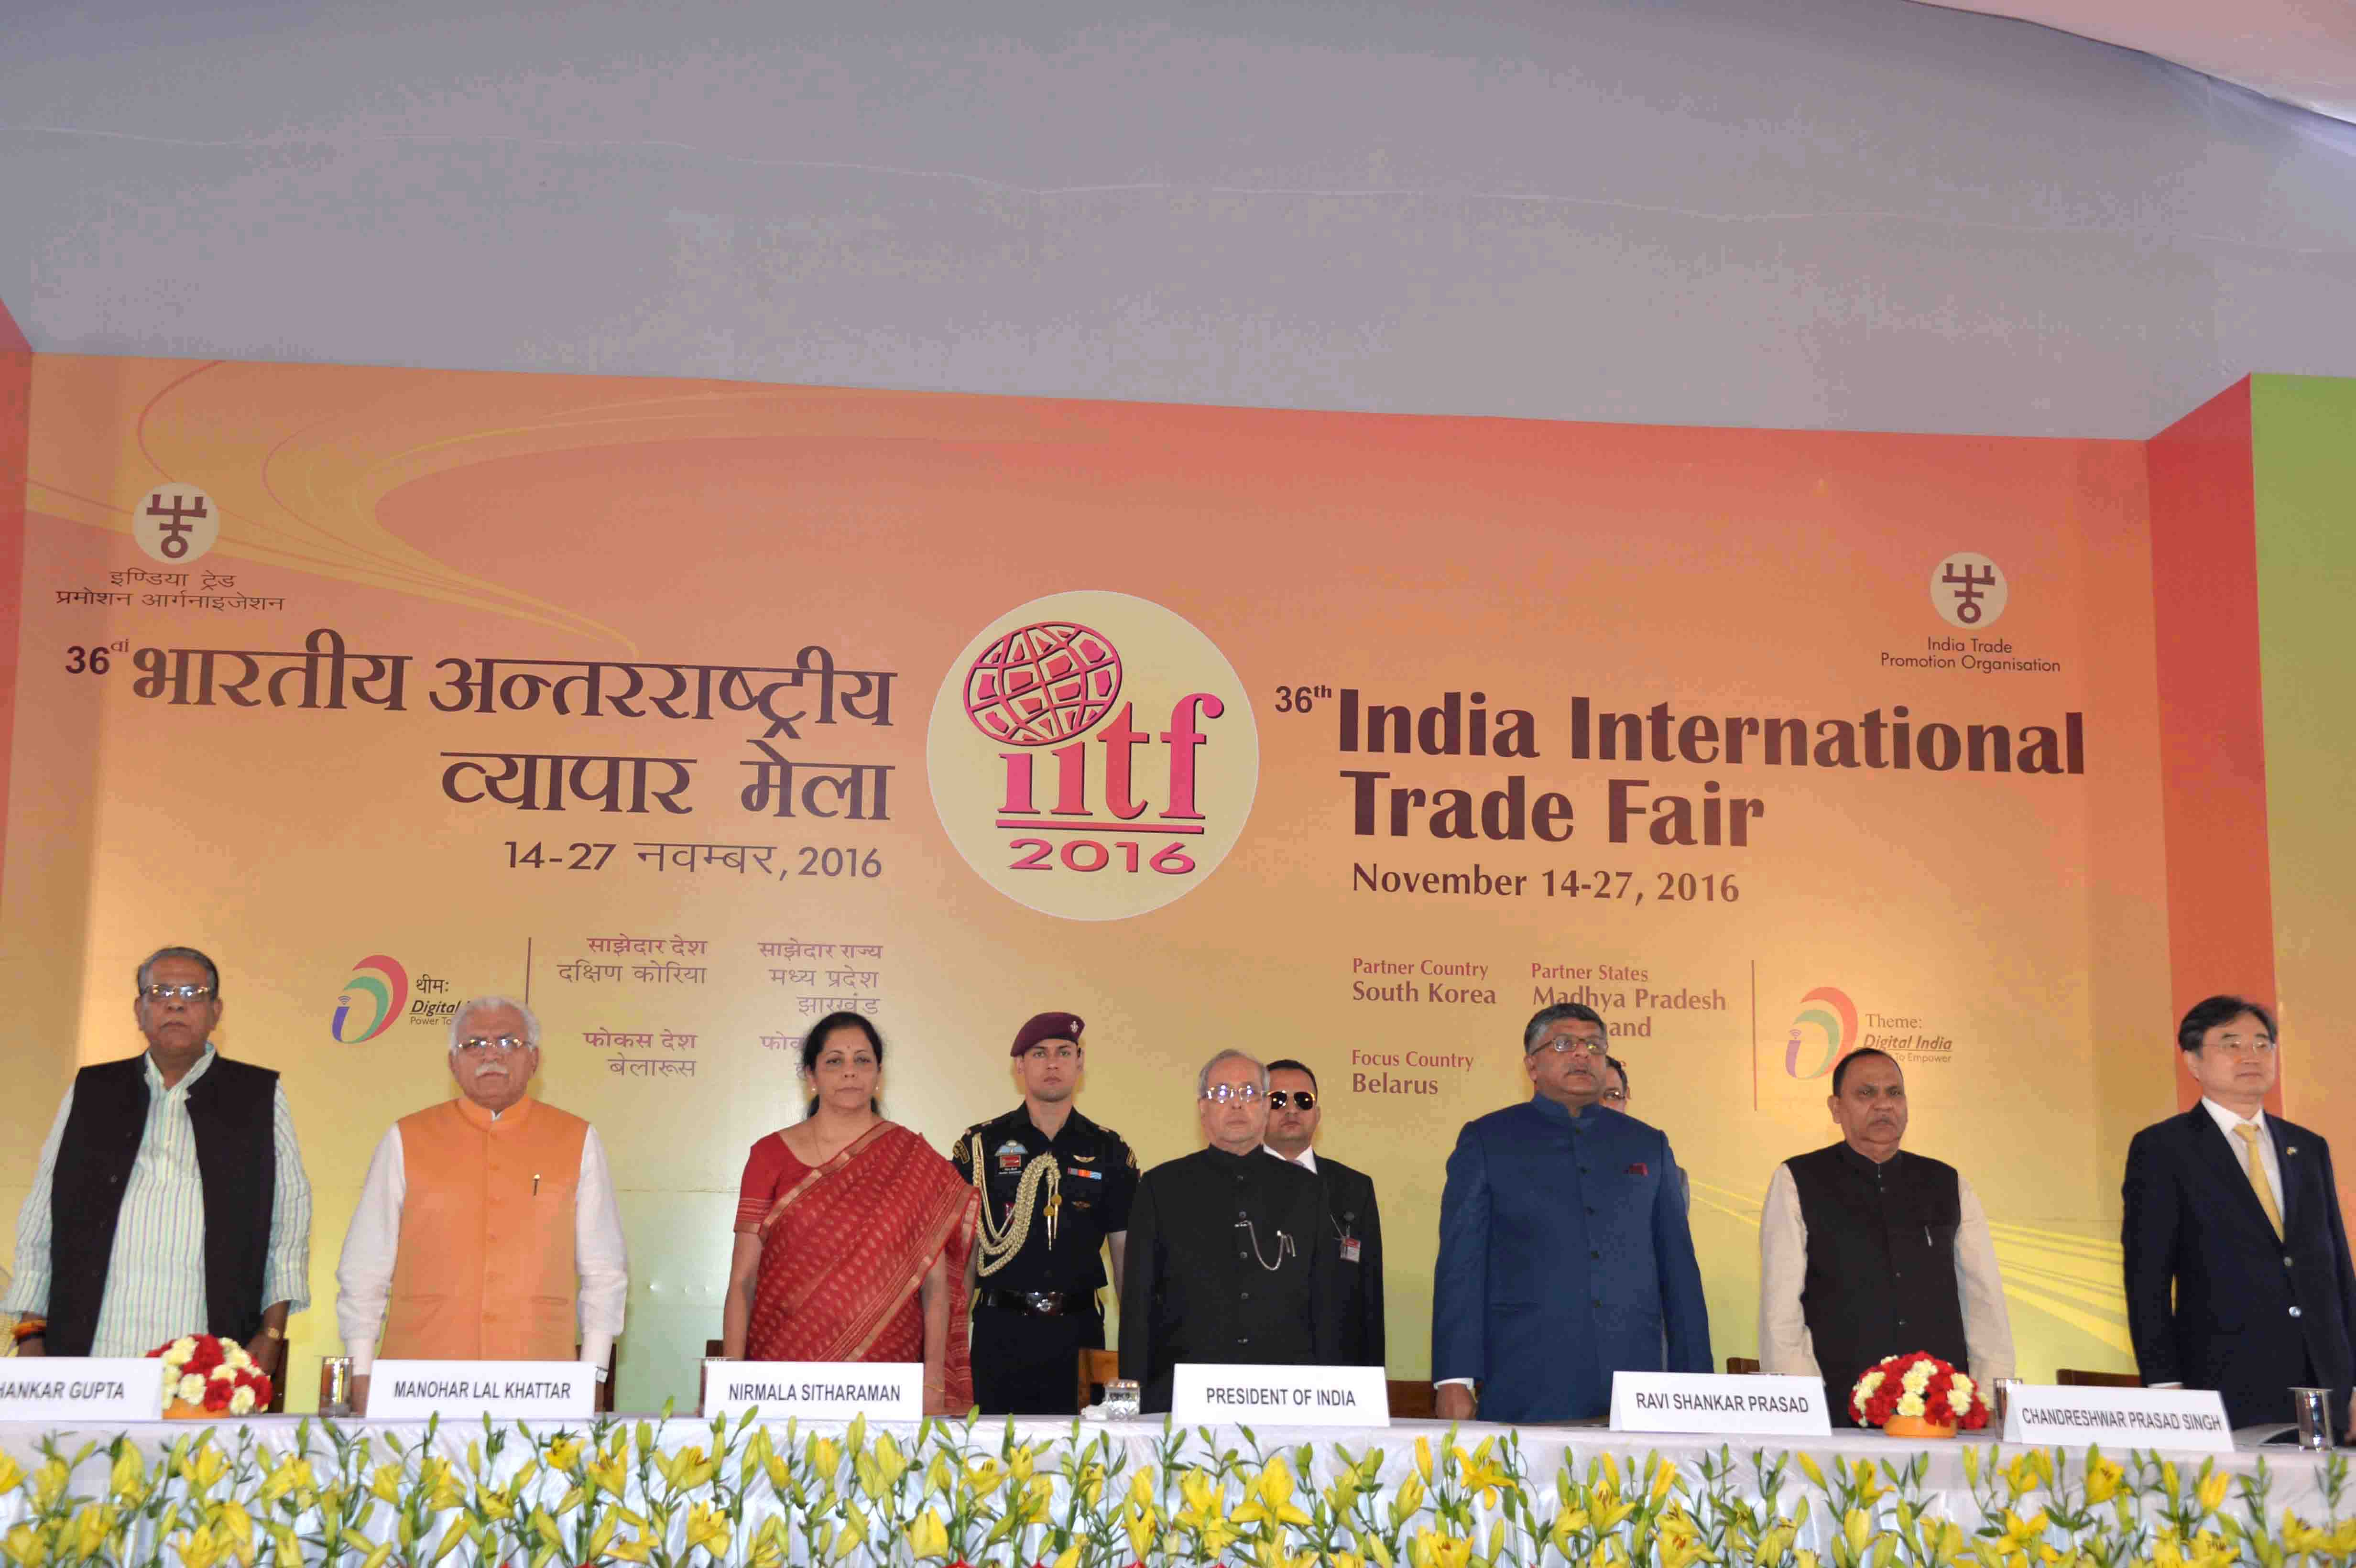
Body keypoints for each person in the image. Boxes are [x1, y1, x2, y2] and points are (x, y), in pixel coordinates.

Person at [5, 947, 311, 1374]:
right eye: (160, 991)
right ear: (139, 1011)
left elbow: (288, 1223)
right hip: (91, 1350)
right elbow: (43, 1214)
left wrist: (272, 1332)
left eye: (193, 992)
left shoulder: (257, 1095)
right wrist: (30, 1332)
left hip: (208, 1358)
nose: (175, 1003)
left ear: (216, 1012)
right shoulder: (93, 1090)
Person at [334, 996, 628, 1412]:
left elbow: (605, 1272)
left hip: (539, 1382)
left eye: (508, 1042)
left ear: (535, 1060)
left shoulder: (577, 1139)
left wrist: (594, 1374)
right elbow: (366, 1268)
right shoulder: (405, 1138)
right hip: (419, 1382)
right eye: (474, 1044)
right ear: (453, 1064)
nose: (491, 1054)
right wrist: (361, 1371)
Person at [1432, 1002, 1709, 1422]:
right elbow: (1461, 1266)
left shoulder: (1648, 1144)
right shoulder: (1488, 1139)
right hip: (1525, 1376)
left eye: (1594, 1046)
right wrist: (1455, 1379)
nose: (1583, 1054)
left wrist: (1697, 1383)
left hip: (1636, 1381)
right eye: (1564, 1044)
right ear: (1532, 1066)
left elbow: (1680, 1272)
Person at [724, 1012, 978, 1414]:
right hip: (784, 1374)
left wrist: (933, 1382)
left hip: (886, 1378)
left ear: (879, 1075)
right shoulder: (769, 1155)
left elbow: (937, 1287)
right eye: (834, 1061)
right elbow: (742, 1281)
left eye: (862, 1060)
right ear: (811, 1075)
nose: (849, 1072)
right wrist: (732, 1381)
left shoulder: (917, 1163)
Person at [2123, 996, 2356, 1431]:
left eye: (2262, 1044)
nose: (2251, 1056)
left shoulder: (2307, 1147)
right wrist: (2164, 1387)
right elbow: (2147, 1280)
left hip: (2327, 1388)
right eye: (2231, 1044)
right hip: (2226, 1389)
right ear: (2193, 1061)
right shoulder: (2163, 1149)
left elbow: (2337, 1268)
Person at [1757, 1047, 2014, 1424]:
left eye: (1894, 1093)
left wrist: (1989, 1402)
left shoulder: (1947, 1183)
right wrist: (1803, 1408)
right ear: (1835, 1107)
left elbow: (1984, 1304)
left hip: (1940, 1414)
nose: (1883, 1105)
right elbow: (1781, 1312)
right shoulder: (1798, 1180)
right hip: (1837, 1411)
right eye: (1866, 1093)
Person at [1120, 1049, 1336, 1412]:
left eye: (1249, 1092)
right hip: (1182, 1392)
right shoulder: (1161, 1187)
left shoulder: (1308, 1189)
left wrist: (1328, 1393)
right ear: (1203, 1108)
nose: (1236, 1105)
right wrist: (1135, 1399)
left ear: (1266, 1106)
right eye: (1222, 1094)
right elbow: (1138, 1305)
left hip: (1286, 1393)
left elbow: (1325, 1302)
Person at [951, 1011, 1138, 1413]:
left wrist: (1136, 1353)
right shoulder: (981, 1147)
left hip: (1083, 1332)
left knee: (1090, 1458)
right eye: (1039, 1053)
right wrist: (948, 1355)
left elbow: (1127, 1258)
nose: (1053, 1063)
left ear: (1080, 1063)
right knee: (995, 1459)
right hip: (1001, 1331)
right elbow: (964, 1253)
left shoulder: (1110, 1151)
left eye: (1064, 1052)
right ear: (1020, 1066)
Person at [1264, 1058, 1385, 1369]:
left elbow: (1369, 1301)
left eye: (1303, 1101)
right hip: (1252, 1375)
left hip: (1335, 1376)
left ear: (1317, 1114)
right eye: (1278, 1100)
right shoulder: (1228, 1185)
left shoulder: (1355, 1189)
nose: (1292, 1109)